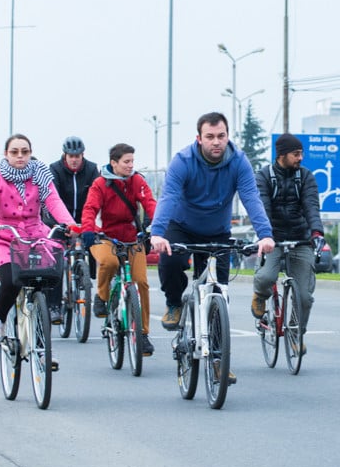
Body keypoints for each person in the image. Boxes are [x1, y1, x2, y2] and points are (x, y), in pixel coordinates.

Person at [149, 112, 275, 383]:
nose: (216, 142)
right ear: (199, 138)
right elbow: (169, 196)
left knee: (219, 296)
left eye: (221, 136)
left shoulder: (239, 161)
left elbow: (251, 197)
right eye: (210, 137)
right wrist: (158, 233)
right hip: (181, 225)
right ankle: (174, 304)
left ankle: (218, 360)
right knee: (170, 263)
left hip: (217, 231)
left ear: (227, 136)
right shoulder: (183, 161)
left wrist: (265, 235)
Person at [0, 134, 75, 343]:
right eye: (14, 152)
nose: (20, 156)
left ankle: (42, 351)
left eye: (25, 152)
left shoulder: (39, 173)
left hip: (34, 234)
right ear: (6, 154)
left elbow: (53, 201)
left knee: (47, 277)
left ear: (30, 153)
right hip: (3, 234)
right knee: (11, 279)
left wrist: (70, 224)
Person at [251, 133, 324, 356]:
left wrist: (316, 232)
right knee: (266, 277)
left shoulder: (306, 177)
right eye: (296, 154)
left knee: (304, 296)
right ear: (282, 155)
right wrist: (266, 235)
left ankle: (295, 333)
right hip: (272, 238)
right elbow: (262, 207)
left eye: (301, 153)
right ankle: (260, 295)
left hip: (301, 238)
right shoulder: (264, 176)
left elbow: (311, 206)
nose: (300, 158)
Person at [80, 143, 157, 356]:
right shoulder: (100, 184)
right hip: (106, 237)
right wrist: (87, 230)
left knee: (141, 282)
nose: (131, 165)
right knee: (109, 262)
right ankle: (102, 297)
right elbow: (90, 208)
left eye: (132, 161)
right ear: (114, 163)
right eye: (126, 162)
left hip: (133, 239)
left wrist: (157, 227)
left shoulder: (137, 181)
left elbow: (150, 203)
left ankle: (142, 334)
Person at [43, 135, 101, 322]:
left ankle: (87, 277)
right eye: (71, 156)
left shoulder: (92, 169)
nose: (74, 160)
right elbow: (53, 200)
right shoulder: (55, 169)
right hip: (59, 219)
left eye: (78, 156)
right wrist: (61, 224)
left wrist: (88, 223)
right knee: (57, 259)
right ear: (65, 155)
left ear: (83, 155)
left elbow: (96, 196)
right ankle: (54, 306)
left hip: (84, 217)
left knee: (93, 241)